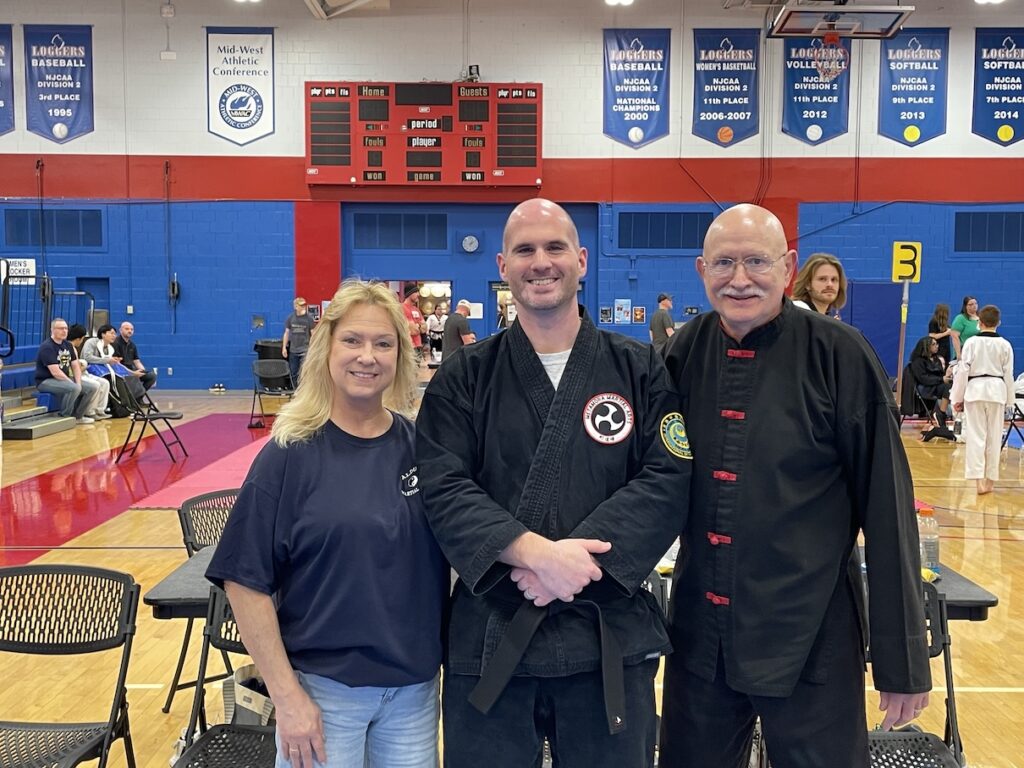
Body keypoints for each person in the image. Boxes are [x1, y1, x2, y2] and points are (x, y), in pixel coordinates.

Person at [416, 199, 690, 768]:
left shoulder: (640, 367)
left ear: (582, 260)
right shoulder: (464, 375)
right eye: (525, 250)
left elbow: (668, 477)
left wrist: (574, 567)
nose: (541, 262)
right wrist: (538, 554)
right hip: (491, 638)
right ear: (503, 265)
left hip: (605, 635)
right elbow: (443, 486)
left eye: (554, 247)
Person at [660, 204, 930, 768]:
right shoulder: (682, 352)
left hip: (812, 637)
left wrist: (902, 662)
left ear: (787, 268)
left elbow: (889, 515)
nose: (739, 279)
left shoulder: (842, 355)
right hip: (700, 638)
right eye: (724, 263)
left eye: (756, 261)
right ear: (700, 270)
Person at [206, 280, 448, 768]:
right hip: (323, 696)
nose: (368, 356)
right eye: (353, 340)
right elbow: (243, 580)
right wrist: (288, 698)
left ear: (401, 355)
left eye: (384, 344)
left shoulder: (421, 447)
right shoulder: (288, 453)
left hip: (414, 696)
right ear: (327, 347)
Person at [951, 304, 1015, 495]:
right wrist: (1010, 402)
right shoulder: (1005, 344)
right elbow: (1008, 374)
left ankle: (978, 481)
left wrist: (957, 397)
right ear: (999, 323)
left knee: (976, 437)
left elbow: (963, 371)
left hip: (975, 390)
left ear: (980, 322)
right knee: (994, 437)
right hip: (997, 391)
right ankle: (990, 481)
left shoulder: (971, 343)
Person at [34, 318, 102, 425]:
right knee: (73, 388)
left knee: (92, 388)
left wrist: (78, 382)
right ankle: (65, 416)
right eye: (61, 328)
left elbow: (75, 366)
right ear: (52, 330)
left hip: (63, 379)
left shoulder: (68, 345)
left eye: (66, 328)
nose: (64, 331)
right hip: (46, 381)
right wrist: (73, 384)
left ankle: (78, 416)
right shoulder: (47, 347)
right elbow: (55, 372)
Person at [81, 323, 148, 402]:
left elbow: (116, 364)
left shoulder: (109, 347)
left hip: (104, 371)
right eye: (112, 333)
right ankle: (124, 404)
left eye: (115, 334)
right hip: (88, 371)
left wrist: (132, 373)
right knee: (118, 380)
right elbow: (87, 358)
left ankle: (131, 402)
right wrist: (108, 360)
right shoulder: (91, 342)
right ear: (103, 334)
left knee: (126, 378)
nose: (114, 336)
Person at [66, 324, 112, 421]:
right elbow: (73, 369)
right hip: (76, 375)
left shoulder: (72, 347)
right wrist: (84, 365)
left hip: (82, 373)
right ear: (80, 338)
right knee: (95, 385)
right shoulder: (69, 347)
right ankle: (89, 412)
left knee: (105, 382)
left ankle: (99, 410)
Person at [909, 335, 952, 432]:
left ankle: (947, 413)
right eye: (934, 344)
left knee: (953, 385)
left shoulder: (937, 359)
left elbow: (941, 375)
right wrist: (942, 379)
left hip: (937, 385)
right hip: (925, 388)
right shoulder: (918, 361)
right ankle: (941, 413)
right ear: (926, 346)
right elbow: (923, 379)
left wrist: (948, 375)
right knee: (948, 387)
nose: (937, 346)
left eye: (937, 344)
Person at [790, 252, 847, 318]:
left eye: (834, 279)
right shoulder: (798, 310)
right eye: (822, 279)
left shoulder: (823, 317)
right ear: (808, 284)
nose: (829, 284)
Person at [113, 321, 157, 390]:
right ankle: (135, 397)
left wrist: (142, 372)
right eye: (127, 329)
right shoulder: (115, 343)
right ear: (121, 330)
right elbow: (117, 364)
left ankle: (138, 397)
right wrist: (132, 373)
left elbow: (137, 362)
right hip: (122, 372)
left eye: (131, 329)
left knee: (152, 376)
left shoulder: (132, 345)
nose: (130, 331)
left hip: (132, 370)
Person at [282, 297, 315, 387]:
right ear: (296, 306)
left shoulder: (309, 319)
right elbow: (286, 333)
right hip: (293, 350)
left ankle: (303, 391)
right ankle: (294, 391)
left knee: (304, 372)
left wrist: (312, 348)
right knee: (293, 372)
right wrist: (284, 348)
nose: (303, 306)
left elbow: (313, 334)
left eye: (304, 305)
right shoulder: (290, 318)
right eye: (301, 305)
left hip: (305, 350)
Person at [401, 284, 427, 364]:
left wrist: (417, 326)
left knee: (416, 373)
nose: (418, 294)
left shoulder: (416, 309)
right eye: (416, 292)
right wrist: (419, 326)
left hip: (418, 346)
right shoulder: (402, 308)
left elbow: (425, 328)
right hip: (409, 346)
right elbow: (412, 330)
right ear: (409, 293)